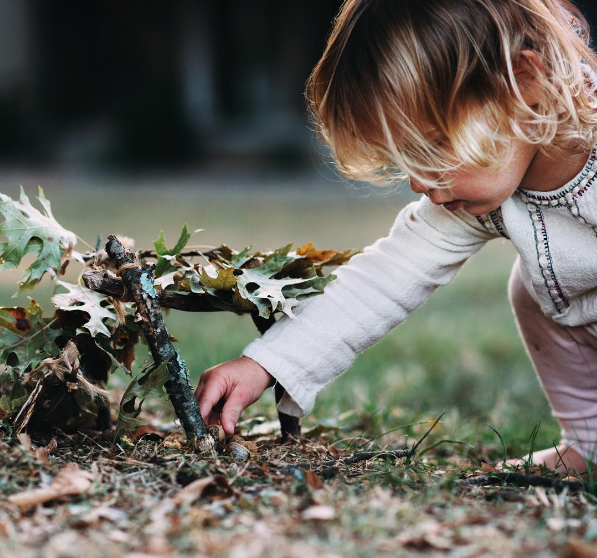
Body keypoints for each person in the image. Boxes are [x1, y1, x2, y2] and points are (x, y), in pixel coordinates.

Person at [194, 0, 597, 476]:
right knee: (532, 287)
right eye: (406, 158)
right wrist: (268, 363)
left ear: (525, 82)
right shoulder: (483, 197)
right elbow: (383, 279)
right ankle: (588, 445)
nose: (419, 182)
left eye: (434, 145)